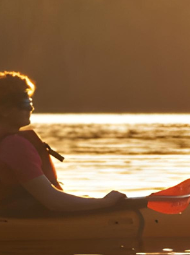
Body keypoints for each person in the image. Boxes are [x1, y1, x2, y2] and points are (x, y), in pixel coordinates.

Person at [0, 71, 126, 212]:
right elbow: (55, 202)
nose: (31, 108)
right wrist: (105, 202)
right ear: (4, 110)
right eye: (25, 103)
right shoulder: (14, 146)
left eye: (30, 102)